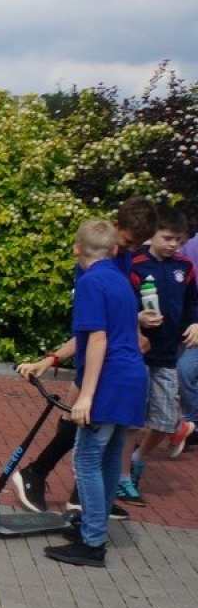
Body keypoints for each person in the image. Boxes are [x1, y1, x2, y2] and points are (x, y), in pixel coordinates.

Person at [10, 197, 155, 514]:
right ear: (115, 230)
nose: (131, 249)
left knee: (93, 425)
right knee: (82, 417)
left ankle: (76, 494)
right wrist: (52, 360)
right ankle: (42, 476)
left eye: (138, 245)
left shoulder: (122, 258)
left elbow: (117, 315)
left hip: (115, 356)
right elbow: (94, 331)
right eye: (128, 242)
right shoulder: (94, 265)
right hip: (100, 355)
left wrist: (135, 331)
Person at [115, 205, 198, 506]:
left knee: (165, 422)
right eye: (167, 238)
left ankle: (138, 458)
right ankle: (123, 478)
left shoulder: (184, 268)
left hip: (167, 355)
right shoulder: (135, 263)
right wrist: (137, 320)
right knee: (133, 422)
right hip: (138, 354)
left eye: (179, 239)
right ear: (153, 235)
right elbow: (122, 304)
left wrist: (195, 323)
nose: (173, 244)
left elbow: (192, 303)